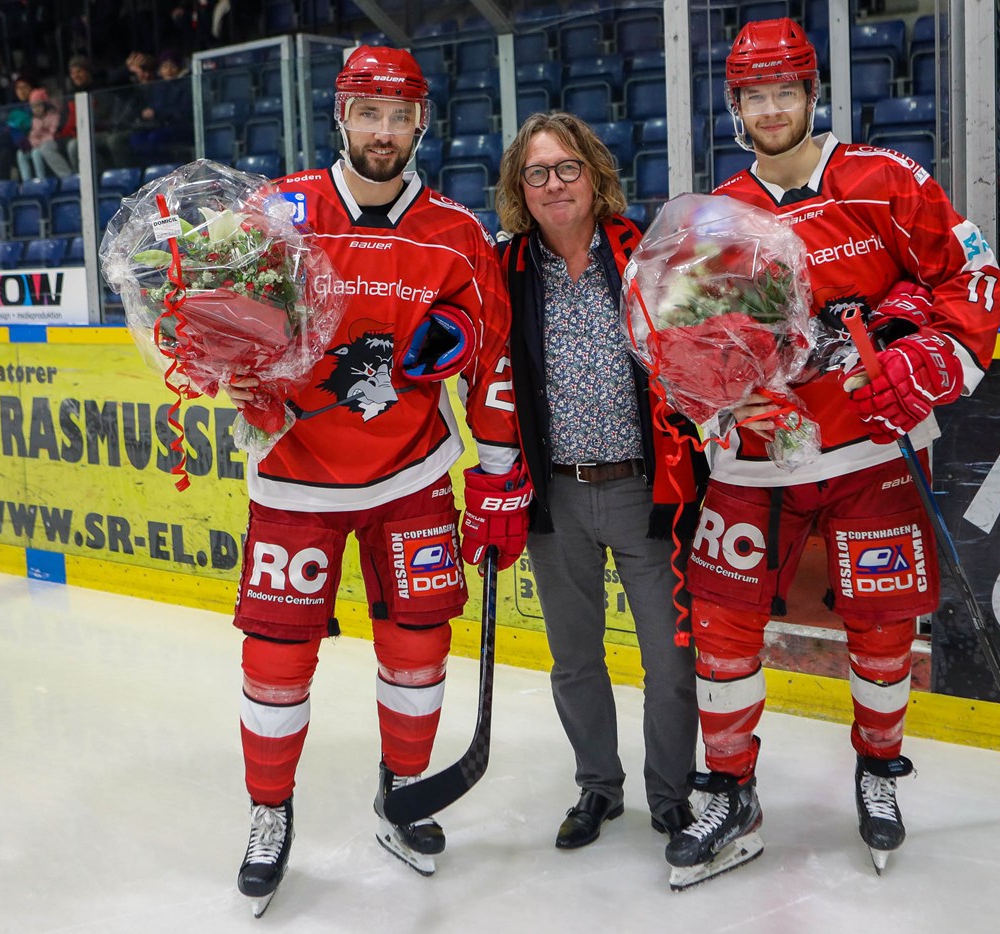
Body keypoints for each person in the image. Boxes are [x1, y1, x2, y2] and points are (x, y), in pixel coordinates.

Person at [663, 18, 1000, 886]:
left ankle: (880, 767)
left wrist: (921, 364)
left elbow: (971, 281)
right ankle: (729, 788)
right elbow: (687, 351)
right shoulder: (720, 214)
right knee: (723, 628)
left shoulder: (886, 182)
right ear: (735, 106)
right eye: (754, 96)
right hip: (756, 464)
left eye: (786, 92)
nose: (772, 110)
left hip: (869, 457)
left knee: (884, 629)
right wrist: (724, 401)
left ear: (814, 95)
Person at [221, 46, 529, 910]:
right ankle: (269, 812)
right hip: (295, 480)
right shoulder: (278, 213)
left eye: (400, 116)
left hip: (411, 475)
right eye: (369, 113)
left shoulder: (460, 237)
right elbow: (219, 323)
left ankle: (402, 792)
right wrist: (233, 373)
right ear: (342, 117)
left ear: (421, 122)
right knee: (275, 662)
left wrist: (497, 482)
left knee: (420, 651)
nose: (383, 132)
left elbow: (491, 369)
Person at [495, 112, 706, 852]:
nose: (554, 184)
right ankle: (598, 788)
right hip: (552, 497)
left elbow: (700, 355)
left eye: (567, 168)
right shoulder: (506, 267)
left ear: (594, 175)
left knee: (670, 663)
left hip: (644, 494)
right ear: (520, 188)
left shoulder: (646, 253)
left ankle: (673, 796)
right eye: (537, 172)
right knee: (576, 659)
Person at [25, 86, 74, 179]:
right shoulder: (35, 120)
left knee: (45, 148)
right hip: (39, 145)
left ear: (45, 105)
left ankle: (67, 176)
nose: (36, 109)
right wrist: (38, 139)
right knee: (31, 153)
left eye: (39, 105)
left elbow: (54, 133)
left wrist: (41, 134)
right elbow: (32, 137)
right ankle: (39, 180)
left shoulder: (53, 115)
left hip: (54, 141)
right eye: (33, 106)